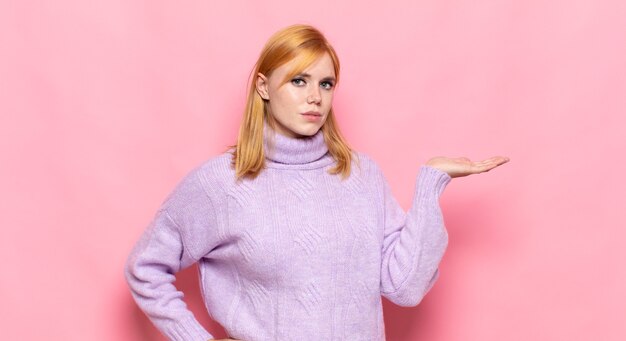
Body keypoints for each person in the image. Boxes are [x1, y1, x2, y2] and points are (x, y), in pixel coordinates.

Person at [124, 24, 509, 341]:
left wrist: (431, 185)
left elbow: (404, 289)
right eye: (299, 81)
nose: (315, 98)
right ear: (263, 87)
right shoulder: (221, 183)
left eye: (326, 84)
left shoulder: (362, 175)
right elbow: (146, 268)